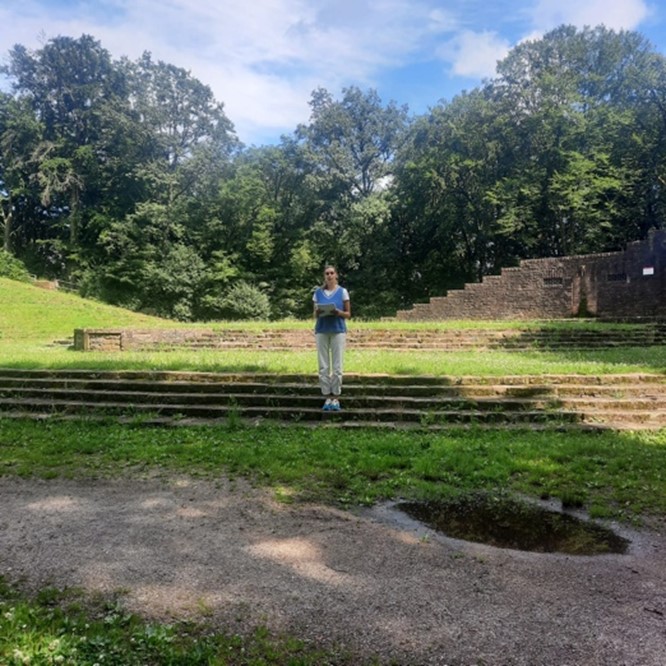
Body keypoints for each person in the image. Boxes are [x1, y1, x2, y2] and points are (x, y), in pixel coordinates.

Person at [313, 265, 351, 411]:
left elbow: (348, 314)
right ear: (324, 276)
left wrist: (337, 312)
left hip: (337, 330)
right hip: (322, 330)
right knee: (323, 365)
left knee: (337, 366)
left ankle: (336, 397)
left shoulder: (342, 292)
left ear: (336, 275)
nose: (329, 275)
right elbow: (315, 314)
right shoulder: (318, 292)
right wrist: (319, 311)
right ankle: (326, 397)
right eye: (327, 273)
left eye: (332, 273)